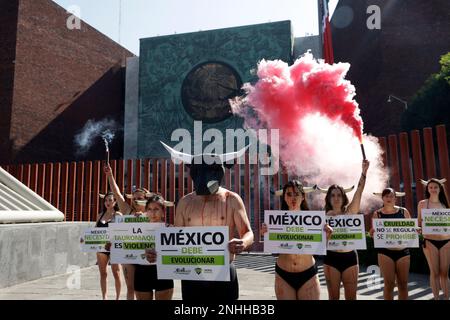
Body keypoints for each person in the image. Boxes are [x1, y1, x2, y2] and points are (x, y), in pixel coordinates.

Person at [147, 143, 254, 301]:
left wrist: (243, 242)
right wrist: (158, 251)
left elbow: (248, 233)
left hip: (222, 271)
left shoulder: (232, 199)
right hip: (192, 273)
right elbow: (176, 239)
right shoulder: (185, 202)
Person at [261, 180, 332, 300]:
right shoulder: (275, 221)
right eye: (289, 194)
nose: (293, 198)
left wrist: (327, 235)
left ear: (303, 196)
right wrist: (266, 233)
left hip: (308, 273)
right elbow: (274, 246)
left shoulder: (314, 221)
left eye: (296, 194)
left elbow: (318, 246)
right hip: (283, 274)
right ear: (284, 197)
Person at [318, 159, 370, 300]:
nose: (336, 198)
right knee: (333, 297)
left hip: (350, 258)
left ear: (343, 197)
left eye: (339, 195)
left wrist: (364, 172)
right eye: (333, 195)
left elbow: (359, 191)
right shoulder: (321, 217)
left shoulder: (350, 212)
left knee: (351, 298)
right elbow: (317, 243)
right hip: (331, 258)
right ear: (328, 198)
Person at [104, 165, 149, 300]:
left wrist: (145, 218)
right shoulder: (128, 210)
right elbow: (117, 194)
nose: (135, 200)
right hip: (128, 253)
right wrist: (110, 175)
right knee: (130, 288)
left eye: (139, 197)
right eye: (134, 198)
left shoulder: (152, 212)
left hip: (146, 254)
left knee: (143, 290)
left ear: (145, 198)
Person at [370, 188, 412, 300]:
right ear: (382, 198)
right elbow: (376, 236)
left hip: (403, 251)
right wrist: (372, 234)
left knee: (403, 285)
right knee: (389, 285)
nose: (389, 198)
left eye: (391, 196)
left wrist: (416, 231)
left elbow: (411, 231)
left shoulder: (404, 212)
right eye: (386, 196)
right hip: (385, 252)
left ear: (395, 198)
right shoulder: (377, 214)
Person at [134, 194, 174, 300]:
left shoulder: (171, 229)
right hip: (142, 272)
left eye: (156, 209)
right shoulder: (136, 228)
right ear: (146, 211)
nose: (153, 213)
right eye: (150, 209)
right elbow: (126, 247)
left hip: (164, 272)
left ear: (163, 212)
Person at [417, 178, 450, 300]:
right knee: (434, 272)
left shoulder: (446, 204)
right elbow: (419, 222)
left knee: (444, 273)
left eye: (435, 187)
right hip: (429, 241)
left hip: (447, 241)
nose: (433, 189)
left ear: (440, 188)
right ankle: (436, 298)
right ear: (427, 189)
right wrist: (418, 228)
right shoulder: (422, 204)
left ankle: (446, 298)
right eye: (430, 187)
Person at [95, 192, 122, 300]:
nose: (108, 202)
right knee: (103, 273)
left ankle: (117, 298)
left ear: (115, 202)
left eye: (110, 200)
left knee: (116, 273)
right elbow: (95, 231)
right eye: (106, 200)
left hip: (115, 247)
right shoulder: (99, 215)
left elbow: (123, 231)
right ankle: (104, 297)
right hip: (101, 247)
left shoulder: (118, 215)